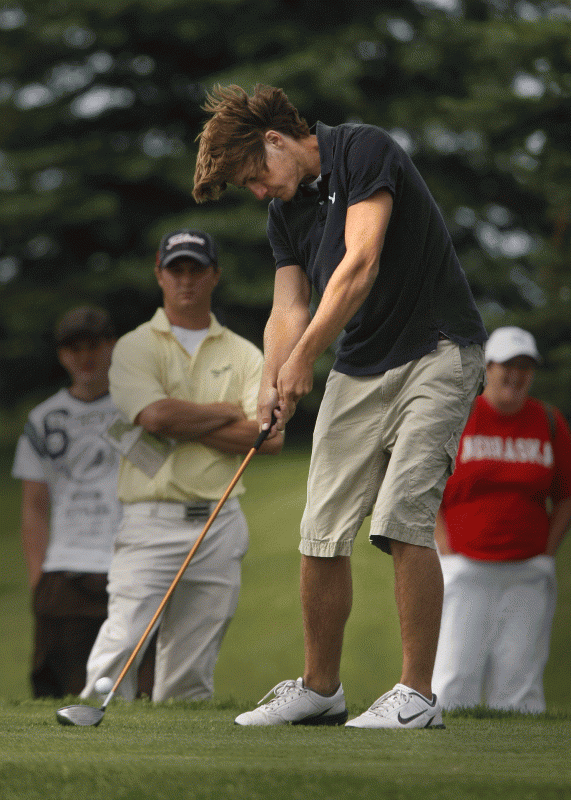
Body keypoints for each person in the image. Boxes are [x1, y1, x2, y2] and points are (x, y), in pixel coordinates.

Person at [193, 84, 487, 728]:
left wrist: (304, 361)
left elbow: (361, 261)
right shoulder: (285, 211)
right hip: (361, 364)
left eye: (255, 177)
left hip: (436, 349)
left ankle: (416, 697)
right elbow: (287, 307)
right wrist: (272, 382)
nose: (260, 192)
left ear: (276, 140)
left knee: (402, 515)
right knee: (320, 529)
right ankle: (321, 689)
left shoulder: (363, 150)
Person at [81, 228, 283, 703]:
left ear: (215, 274)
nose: (186, 279)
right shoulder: (134, 346)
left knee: (190, 672)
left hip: (219, 521)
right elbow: (152, 416)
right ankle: (91, 737)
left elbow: (270, 439)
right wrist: (231, 413)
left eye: (196, 269)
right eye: (176, 269)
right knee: (122, 641)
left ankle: (177, 763)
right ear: (159, 274)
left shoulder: (244, 352)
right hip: (151, 520)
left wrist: (179, 421)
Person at [432, 326, 571, 713]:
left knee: (520, 681)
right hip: (465, 566)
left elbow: (566, 496)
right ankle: (443, 759)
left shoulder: (548, 421)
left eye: (525, 366)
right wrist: (446, 551)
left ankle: (519, 755)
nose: (516, 374)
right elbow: (426, 488)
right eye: (507, 365)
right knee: (453, 676)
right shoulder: (458, 416)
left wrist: (547, 552)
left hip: (527, 570)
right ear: (488, 368)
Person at [11, 306, 127, 697]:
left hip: (128, 565)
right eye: (74, 348)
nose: (85, 357)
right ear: (62, 355)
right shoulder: (43, 420)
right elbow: (33, 507)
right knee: (59, 693)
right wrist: (38, 578)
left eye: (94, 345)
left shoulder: (138, 411)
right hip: (64, 571)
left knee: (132, 694)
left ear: (111, 346)